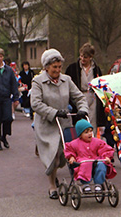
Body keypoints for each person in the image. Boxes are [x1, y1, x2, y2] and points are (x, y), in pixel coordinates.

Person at [31, 48, 89, 199]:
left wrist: (83, 109)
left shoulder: (66, 80)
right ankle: (52, 186)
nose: (57, 70)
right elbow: (35, 104)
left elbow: (79, 97)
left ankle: (79, 180)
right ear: (46, 67)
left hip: (64, 122)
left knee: (69, 153)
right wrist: (53, 112)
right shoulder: (38, 82)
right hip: (47, 124)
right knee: (53, 156)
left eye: (59, 67)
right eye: (54, 67)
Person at [65, 43, 108, 141]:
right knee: (80, 121)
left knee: (92, 121)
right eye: (81, 56)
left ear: (91, 57)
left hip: (92, 97)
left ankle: (91, 143)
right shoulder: (72, 68)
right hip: (79, 97)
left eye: (85, 57)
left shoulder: (96, 69)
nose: (82, 59)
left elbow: (100, 85)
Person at [64, 119, 116, 193]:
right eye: (86, 132)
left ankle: (98, 183)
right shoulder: (75, 143)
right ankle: (86, 184)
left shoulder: (97, 142)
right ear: (80, 134)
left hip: (95, 161)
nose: (89, 134)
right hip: (82, 163)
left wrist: (106, 157)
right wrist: (71, 157)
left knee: (102, 164)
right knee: (85, 164)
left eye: (91, 131)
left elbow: (104, 149)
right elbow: (69, 150)